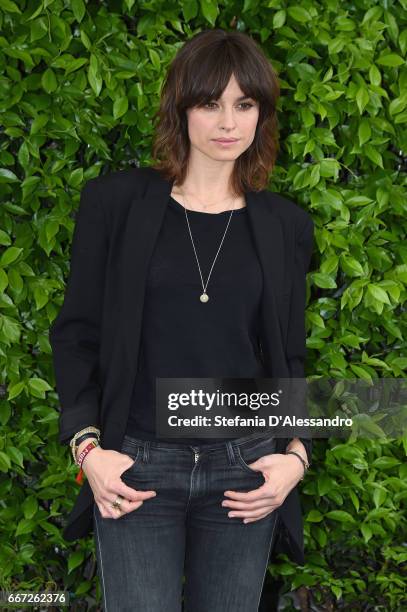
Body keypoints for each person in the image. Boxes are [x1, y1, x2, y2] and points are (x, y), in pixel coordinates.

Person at [49, 28, 314, 612]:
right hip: (138, 468)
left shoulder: (284, 226)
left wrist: (294, 457)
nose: (229, 122)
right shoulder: (116, 205)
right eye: (210, 103)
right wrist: (89, 450)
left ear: (262, 115)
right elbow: (76, 335)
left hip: (244, 471)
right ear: (180, 107)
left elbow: (288, 356)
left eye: (245, 104)